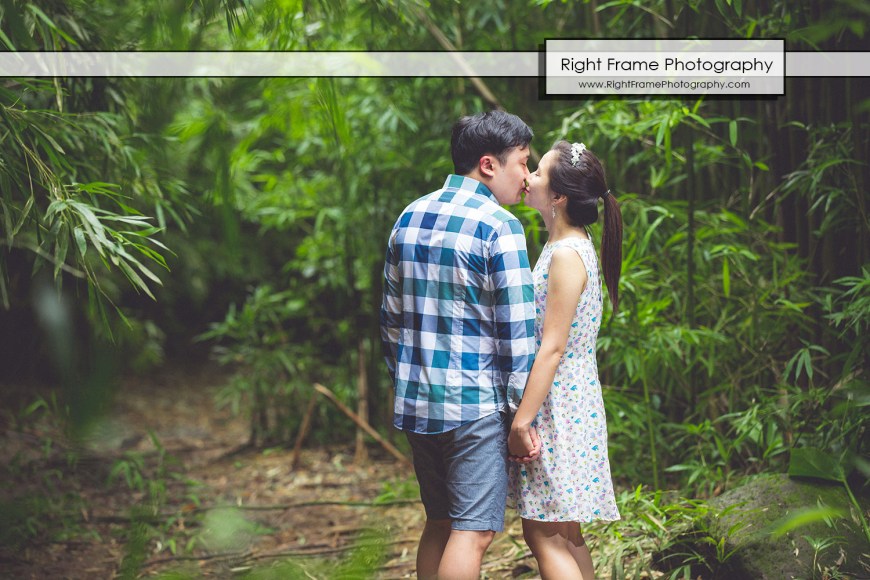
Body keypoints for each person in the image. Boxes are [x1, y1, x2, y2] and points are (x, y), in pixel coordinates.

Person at [379, 110, 538, 580]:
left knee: (440, 524)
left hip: (417, 405)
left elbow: (391, 324)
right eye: (523, 164)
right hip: (474, 408)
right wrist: (518, 415)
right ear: (489, 165)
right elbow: (518, 335)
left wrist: (408, 382)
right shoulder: (500, 225)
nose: (527, 178)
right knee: (473, 533)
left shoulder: (409, 215)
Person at [507, 140, 623, 579]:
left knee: (544, 535)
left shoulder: (566, 256)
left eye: (537, 172)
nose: (528, 177)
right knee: (566, 531)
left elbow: (552, 348)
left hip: (559, 406)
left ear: (557, 197)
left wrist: (522, 421)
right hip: (570, 401)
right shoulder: (571, 247)